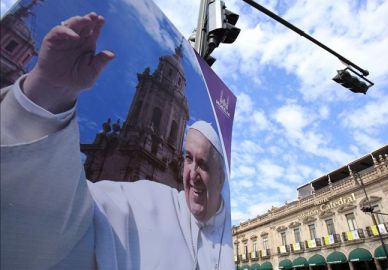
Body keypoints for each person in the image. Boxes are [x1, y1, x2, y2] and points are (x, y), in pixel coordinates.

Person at [0, 12, 232, 269]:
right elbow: (65, 226)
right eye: (189, 158)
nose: (193, 172)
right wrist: (48, 95)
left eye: (204, 164)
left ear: (221, 177)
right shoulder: (137, 198)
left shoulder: (216, 224)